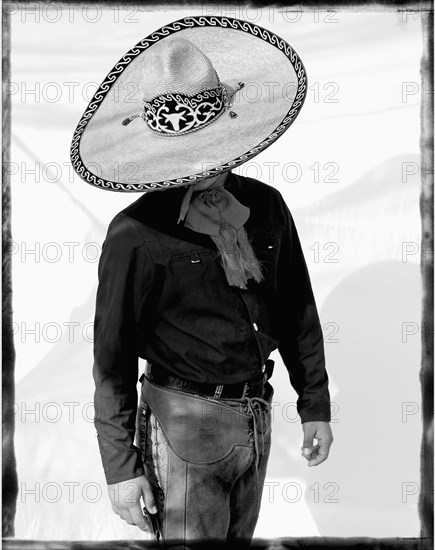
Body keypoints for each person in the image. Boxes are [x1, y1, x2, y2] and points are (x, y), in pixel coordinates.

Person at [71, 15, 333, 546]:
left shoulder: (265, 206)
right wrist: (121, 470)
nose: (209, 161)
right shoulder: (135, 234)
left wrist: (315, 406)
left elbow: (296, 308)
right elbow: (112, 358)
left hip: (257, 413)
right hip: (182, 424)